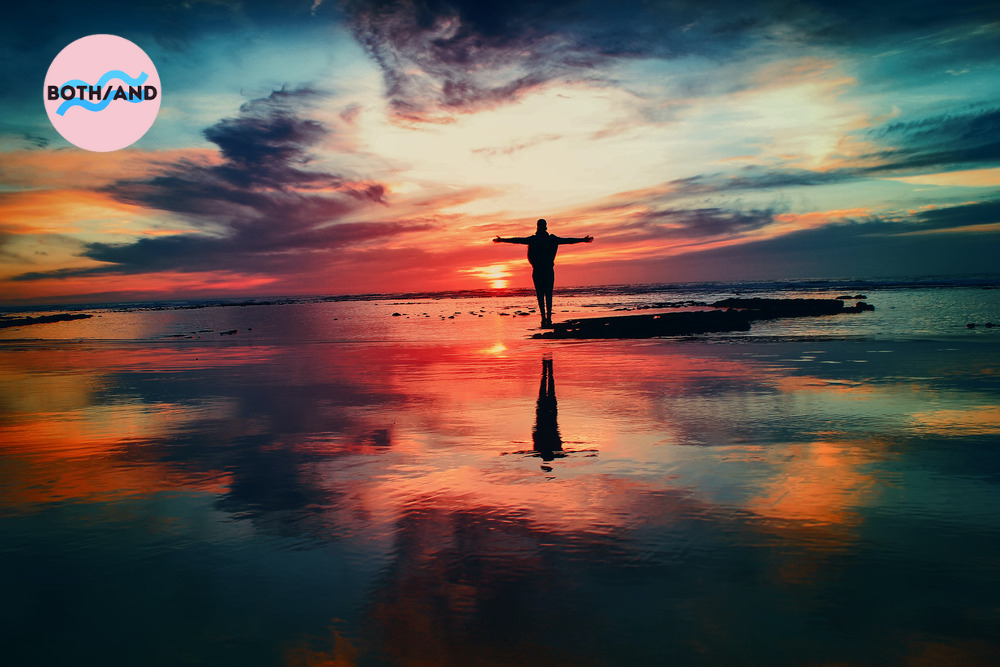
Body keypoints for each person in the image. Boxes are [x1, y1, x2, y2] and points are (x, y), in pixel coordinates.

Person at [493, 219, 593, 327]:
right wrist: (582, 240)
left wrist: (502, 240)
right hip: (547, 270)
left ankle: (545, 318)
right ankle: (547, 317)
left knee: (542, 295)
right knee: (547, 294)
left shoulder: (536, 239)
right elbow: (568, 240)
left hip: (539, 270)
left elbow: (518, 240)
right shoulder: (550, 239)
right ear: (545, 227)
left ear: (538, 227)